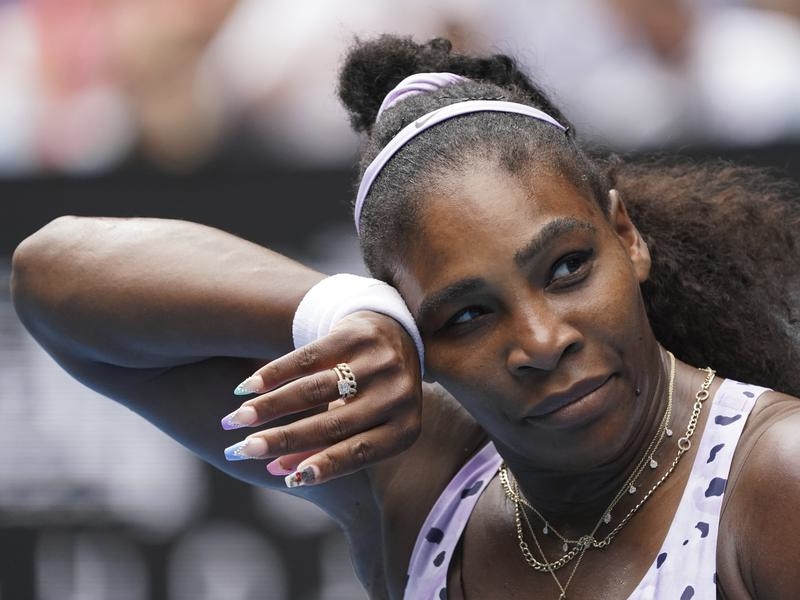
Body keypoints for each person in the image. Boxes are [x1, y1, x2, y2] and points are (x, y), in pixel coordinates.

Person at [11, 35, 800, 599]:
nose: (540, 340)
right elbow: (47, 272)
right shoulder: (420, 478)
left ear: (626, 238)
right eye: (467, 315)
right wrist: (339, 312)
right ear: (414, 334)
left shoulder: (776, 477)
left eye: (567, 269)